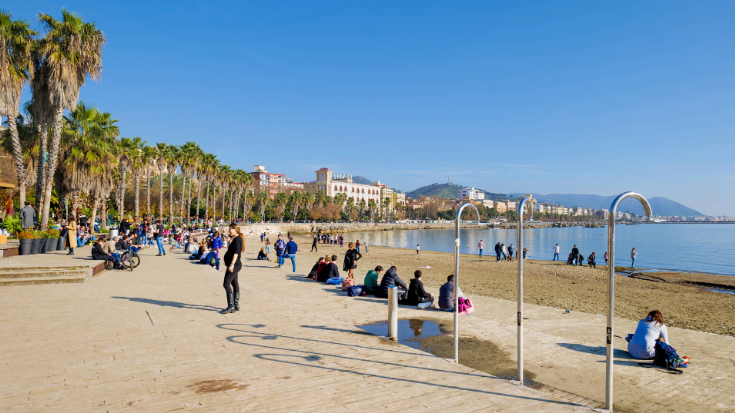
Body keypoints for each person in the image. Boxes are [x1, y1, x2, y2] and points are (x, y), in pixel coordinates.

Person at [220, 223, 245, 314]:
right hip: (235, 264)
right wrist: (228, 241)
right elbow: (231, 250)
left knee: (226, 284)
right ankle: (236, 304)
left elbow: (236, 253)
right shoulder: (235, 239)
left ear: (235, 230)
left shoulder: (237, 240)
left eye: (230, 229)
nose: (229, 231)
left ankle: (231, 306)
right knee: (234, 283)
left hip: (234, 265)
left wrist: (232, 264)